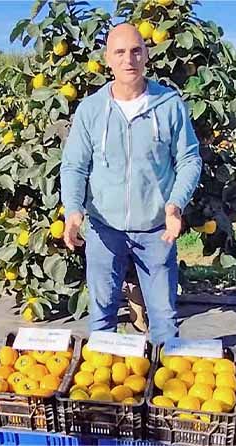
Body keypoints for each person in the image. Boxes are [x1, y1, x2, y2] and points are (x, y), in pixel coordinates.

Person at [60, 23, 202, 344]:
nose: (129, 59)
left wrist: (175, 204)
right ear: (107, 59)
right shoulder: (91, 110)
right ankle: (101, 389)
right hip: (103, 228)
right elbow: (74, 166)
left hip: (155, 229)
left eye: (136, 51)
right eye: (120, 52)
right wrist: (72, 211)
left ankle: (165, 384)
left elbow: (190, 159)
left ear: (147, 54)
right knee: (102, 316)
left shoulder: (169, 105)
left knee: (164, 317)